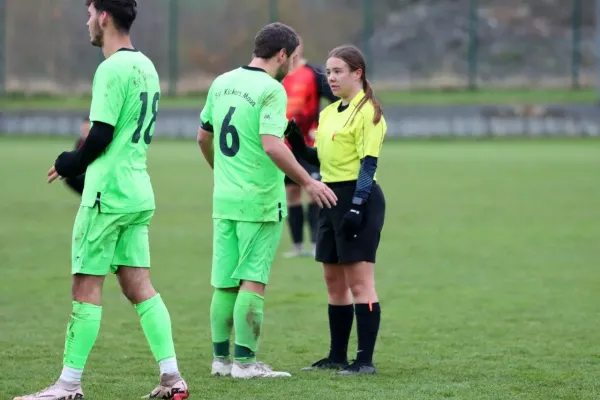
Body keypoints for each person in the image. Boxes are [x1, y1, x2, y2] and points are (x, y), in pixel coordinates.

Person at [15, 1, 189, 399]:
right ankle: (172, 379)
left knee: (85, 285)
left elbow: (100, 134)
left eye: (89, 13)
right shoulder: (146, 65)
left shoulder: (110, 69)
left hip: (106, 193)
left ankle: (68, 386)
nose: (87, 22)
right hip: (137, 190)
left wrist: (68, 161)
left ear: (104, 17)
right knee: (139, 285)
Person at [197, 22, 338, 379]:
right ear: (282, 55)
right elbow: (273, 145)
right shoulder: (271, 90)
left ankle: (220, 361)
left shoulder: (222, 82)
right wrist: (307, 181)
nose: (294, 63)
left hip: (225, 199)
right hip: (259, 200)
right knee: (252, 281)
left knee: (225, 281)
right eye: (293, 57)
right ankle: (245, 363)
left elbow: (202, 138)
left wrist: (222, 173)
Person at [285, 44, 387, 376]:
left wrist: (357, 207)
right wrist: (299, 144)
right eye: (328, 71)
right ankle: (337, 356)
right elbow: (321, 160)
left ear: (358, 73)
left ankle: (365, 361)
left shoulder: (369, 112)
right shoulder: (329, 113)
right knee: (333, 281)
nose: (330, 77)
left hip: (358, 198)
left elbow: (367, 167)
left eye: (338, 71)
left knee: (360, 282)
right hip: (328, 198)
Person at [281, 38, 337, 258]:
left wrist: (325, 127)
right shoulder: (275, 75)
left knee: (315, 193)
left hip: (310, 144)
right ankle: (297, 246)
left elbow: (337, 101)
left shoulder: (314, 73)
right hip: (283, 145)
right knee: (292, 194)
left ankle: (316, 243)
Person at [64, 117, 91, 195]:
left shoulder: (96, 143)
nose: (85, 131)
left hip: (94, 173)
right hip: (83, 173)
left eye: (87, 129)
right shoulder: (79, 142)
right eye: (84, 129)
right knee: (69, 177)